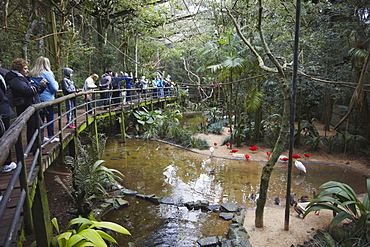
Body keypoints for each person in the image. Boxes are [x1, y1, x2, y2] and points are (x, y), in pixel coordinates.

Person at [5, 58, 47, 155]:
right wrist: (39, 85)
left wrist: (42, 86)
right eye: (25, 68)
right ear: (18, 69)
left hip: (30, 105)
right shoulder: (15, 79)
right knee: (36, 127)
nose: (27, 70)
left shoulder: (22, 78)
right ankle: (36, 149)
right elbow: (27, 91)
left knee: (35, 127)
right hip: (26, 106)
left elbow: (33, 89)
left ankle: (35, 148)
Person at [29, 56, 59, 143]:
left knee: (40, 120)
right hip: (48, 99)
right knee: (50, 118)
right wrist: (56, 83)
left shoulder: (32, 73)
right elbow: (54, 88)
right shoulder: (46, 73)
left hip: (37, 99)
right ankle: (51, 136)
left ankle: (40, 138)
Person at [0, 71, 16, 173]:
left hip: (4, 107)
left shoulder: (3, 74)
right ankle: (6, 162)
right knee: (4, 135)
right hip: (3, 109)